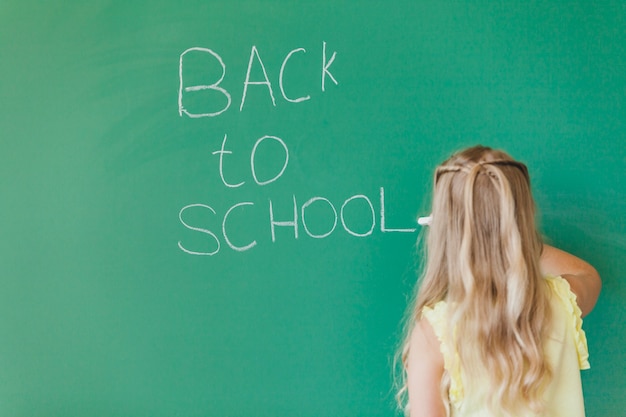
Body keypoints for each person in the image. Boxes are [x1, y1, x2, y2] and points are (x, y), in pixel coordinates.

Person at [395, 145, 601, 417]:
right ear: (523, 219)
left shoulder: (434, 333)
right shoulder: (561, 301)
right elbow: (588, 275)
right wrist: (514, 243)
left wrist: (470, 236)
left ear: (446, 231)